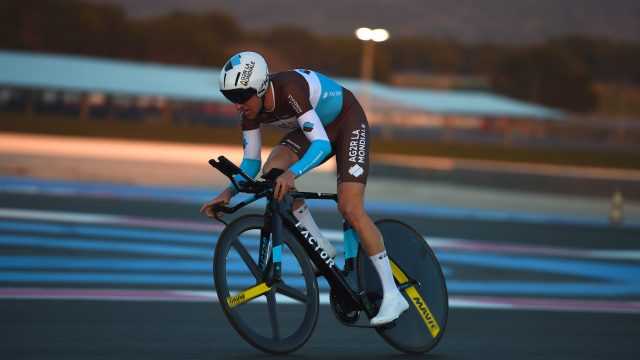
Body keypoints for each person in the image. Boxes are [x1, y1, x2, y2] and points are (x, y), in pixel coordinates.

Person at [200, 51, 408, 326]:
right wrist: (227, 193)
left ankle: (393, 294)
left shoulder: (289, 91)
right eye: (231, 98)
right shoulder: (249, 111)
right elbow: (251, 162)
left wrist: (293, 172)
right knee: (272, 170)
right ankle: (319, 243)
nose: (237, 105)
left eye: (241, 97)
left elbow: (320, 145)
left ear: (261, 87)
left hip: (347, 121)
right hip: (316, 126)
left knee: (350, 208)